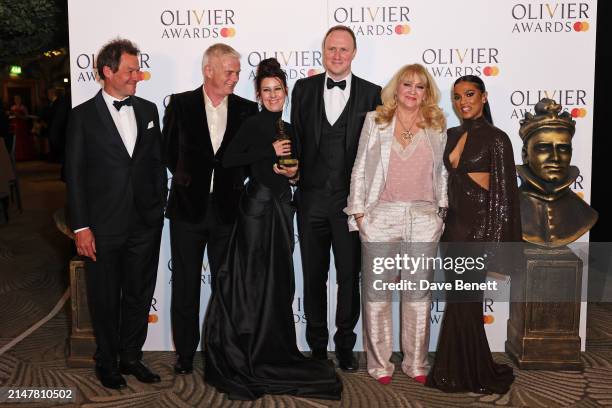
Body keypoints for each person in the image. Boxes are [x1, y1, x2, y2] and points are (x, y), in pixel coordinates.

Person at [203, 58, 342, 401]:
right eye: (266, 91)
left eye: (277, 89)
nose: (272, 95)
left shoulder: (291, 128)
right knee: (252, 278)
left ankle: (273, 345)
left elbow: (294, 173)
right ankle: (248, 348)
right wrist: (267, 151)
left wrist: (292, 175)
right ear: (259, 94)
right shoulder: (253, 124)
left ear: (285, 92)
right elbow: (227, 158)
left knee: (278, 280)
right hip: (256, 210)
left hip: (283, 208)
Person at [65, 38, 167, 389]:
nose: (137, 76)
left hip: (144, 223)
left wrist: (157, 207)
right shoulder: (81, 117)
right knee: (105, 297)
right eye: (130, 70)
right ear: (107, 72)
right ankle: (106, 361)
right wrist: (81, 227)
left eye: (137, 69)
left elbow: (156, 164)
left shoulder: (149, 110)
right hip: (103, 225)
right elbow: (75, 176)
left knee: (139, 293)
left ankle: (131, 356)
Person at [345, 63, 447, 385]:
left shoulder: (436, 123)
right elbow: (360, 167)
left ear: (426, 92)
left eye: (420, 86)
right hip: (381, 216)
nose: (412, 91)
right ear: (396, 88)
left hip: (422, 216)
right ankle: (380, 365)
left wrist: (441, 212)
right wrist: (360, 214)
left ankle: (416, 362)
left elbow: (443, 172)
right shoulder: (376, 120)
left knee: (418, 296)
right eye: (407, 84)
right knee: (377, 297)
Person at [163, 43, 258, 375]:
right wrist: (191, 178)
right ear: (209, 70)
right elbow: (168, 151)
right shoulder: (181, 104)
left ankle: (223, 351)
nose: (235, 77)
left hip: (228, 213)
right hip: (188, 210)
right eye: (229, 71)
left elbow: (250, 158)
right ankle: (185, 354)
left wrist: (232, 182)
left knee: (226, 286)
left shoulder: (248, 110)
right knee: (186, 284)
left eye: (237, 72)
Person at [291, 25, 381, 371]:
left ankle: (345, 345)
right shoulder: (303, 89)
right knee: (313, 275)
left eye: (344, 50)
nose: (337, 55)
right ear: (323, 52)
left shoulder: (373, 94)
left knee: (348, 276)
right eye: (331, 49)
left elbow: (377, 153)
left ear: (354, 53)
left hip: (351, 205)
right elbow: (297, 137)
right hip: (310, 200)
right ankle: (316, 346)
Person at [426, 75, 521, 394]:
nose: (462, 101)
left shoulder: (498, 138)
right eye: (456, 96)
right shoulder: (450, 134)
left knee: (465, 301)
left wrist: (498, 248)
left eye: (469, 94)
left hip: (479, 231)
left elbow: (506, 197)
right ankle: (462, 367)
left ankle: (466, 370)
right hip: (451, 228)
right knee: (458, 300)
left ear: (483, 97)